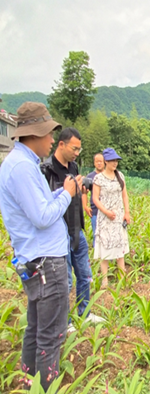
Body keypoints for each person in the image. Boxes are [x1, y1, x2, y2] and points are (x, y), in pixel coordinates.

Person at [0, 102, 76, 390]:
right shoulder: (22, 167)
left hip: (35, 261)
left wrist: (57, 194)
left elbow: (37, 208)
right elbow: (43, 217)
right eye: (49, 134)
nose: (51, 140)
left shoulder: (20, 164)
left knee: (35, 329)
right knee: (51, 335)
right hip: (47, 263)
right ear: (35, 134)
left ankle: (28, 381)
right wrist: (67, 194)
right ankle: (46, 387)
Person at [40, 127, 105, 329]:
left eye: (79, 149)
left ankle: (84, 312)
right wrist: (66, 190)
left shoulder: (74, 167)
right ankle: (65, 322)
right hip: (58, 234)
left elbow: (76, 193)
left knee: (85, 275)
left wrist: (80, 189)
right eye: (74, 148)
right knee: (65, 281)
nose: (77, 153)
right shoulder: (47, 170)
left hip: (77, 229)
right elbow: (45, 202)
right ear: (61, 144)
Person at [92, 148, 131, 288]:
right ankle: (104, 281)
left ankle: (122, 278)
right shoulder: (99, 178)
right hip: (105, 218)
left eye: (116, 161)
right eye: (112, 161)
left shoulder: (120, 176)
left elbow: (124, 195)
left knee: (120, 246)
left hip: (118, 216)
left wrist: (127, 212)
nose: (115, 163)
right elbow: (95, 199)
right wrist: (106, 211)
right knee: (105, 249)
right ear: (106, 162)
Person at [84, 153, 105, 245]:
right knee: (96, 235)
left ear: (105, 162)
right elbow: (84, 192)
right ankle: (97, 256)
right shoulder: (90, 177)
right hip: (95, 211)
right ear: (94, 163)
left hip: (108, 210)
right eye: (97, 161)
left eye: (101, 161)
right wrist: (85, 206)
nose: (99, 163)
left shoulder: (108, 175)